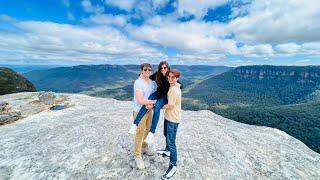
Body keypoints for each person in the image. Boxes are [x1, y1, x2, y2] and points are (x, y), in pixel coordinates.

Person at [129, 61, 182, 145]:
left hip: (165, 96)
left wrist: (178, 86)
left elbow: (179, 84)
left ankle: (151, 133)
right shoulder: (157, 74)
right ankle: (135, 124)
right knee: (146, 102)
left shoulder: (170, 76)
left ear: (168, 68)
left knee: (157, 108)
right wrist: (140, 75)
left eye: (165, 67)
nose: (163, 69)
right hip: (158, 93)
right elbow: (148, 76)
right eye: (161, 68)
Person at [132, 63, 157, 170]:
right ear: (141, 70)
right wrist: (153, 102)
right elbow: (140, 100)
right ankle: (137, 155)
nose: (147, 71)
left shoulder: (152, 82)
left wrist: (178, 85)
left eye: (149, 69)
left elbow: (161, 88)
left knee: (147, 131)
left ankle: (144, 147)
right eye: (145, 69)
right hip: (139, 111)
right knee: (140, 133)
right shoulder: (138, 83)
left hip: (149, 111)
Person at [159, 69, 182, 180]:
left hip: (173, 119)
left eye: (173, 77)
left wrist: (157, 106)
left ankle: (173, 165)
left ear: (177, 78)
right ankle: (167, 151)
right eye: (169, 76)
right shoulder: (175, 86)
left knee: (171, 142)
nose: (170, 78)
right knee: (165, 134)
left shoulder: (174, 90)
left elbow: (170, 105)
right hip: (169, 117)